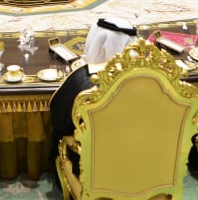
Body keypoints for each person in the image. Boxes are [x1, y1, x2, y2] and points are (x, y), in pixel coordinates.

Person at [49, 18, 136, 151]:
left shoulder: (81, 81)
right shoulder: (156, 80)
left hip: (92, 160)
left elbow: (60, 121)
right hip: (144, 154)